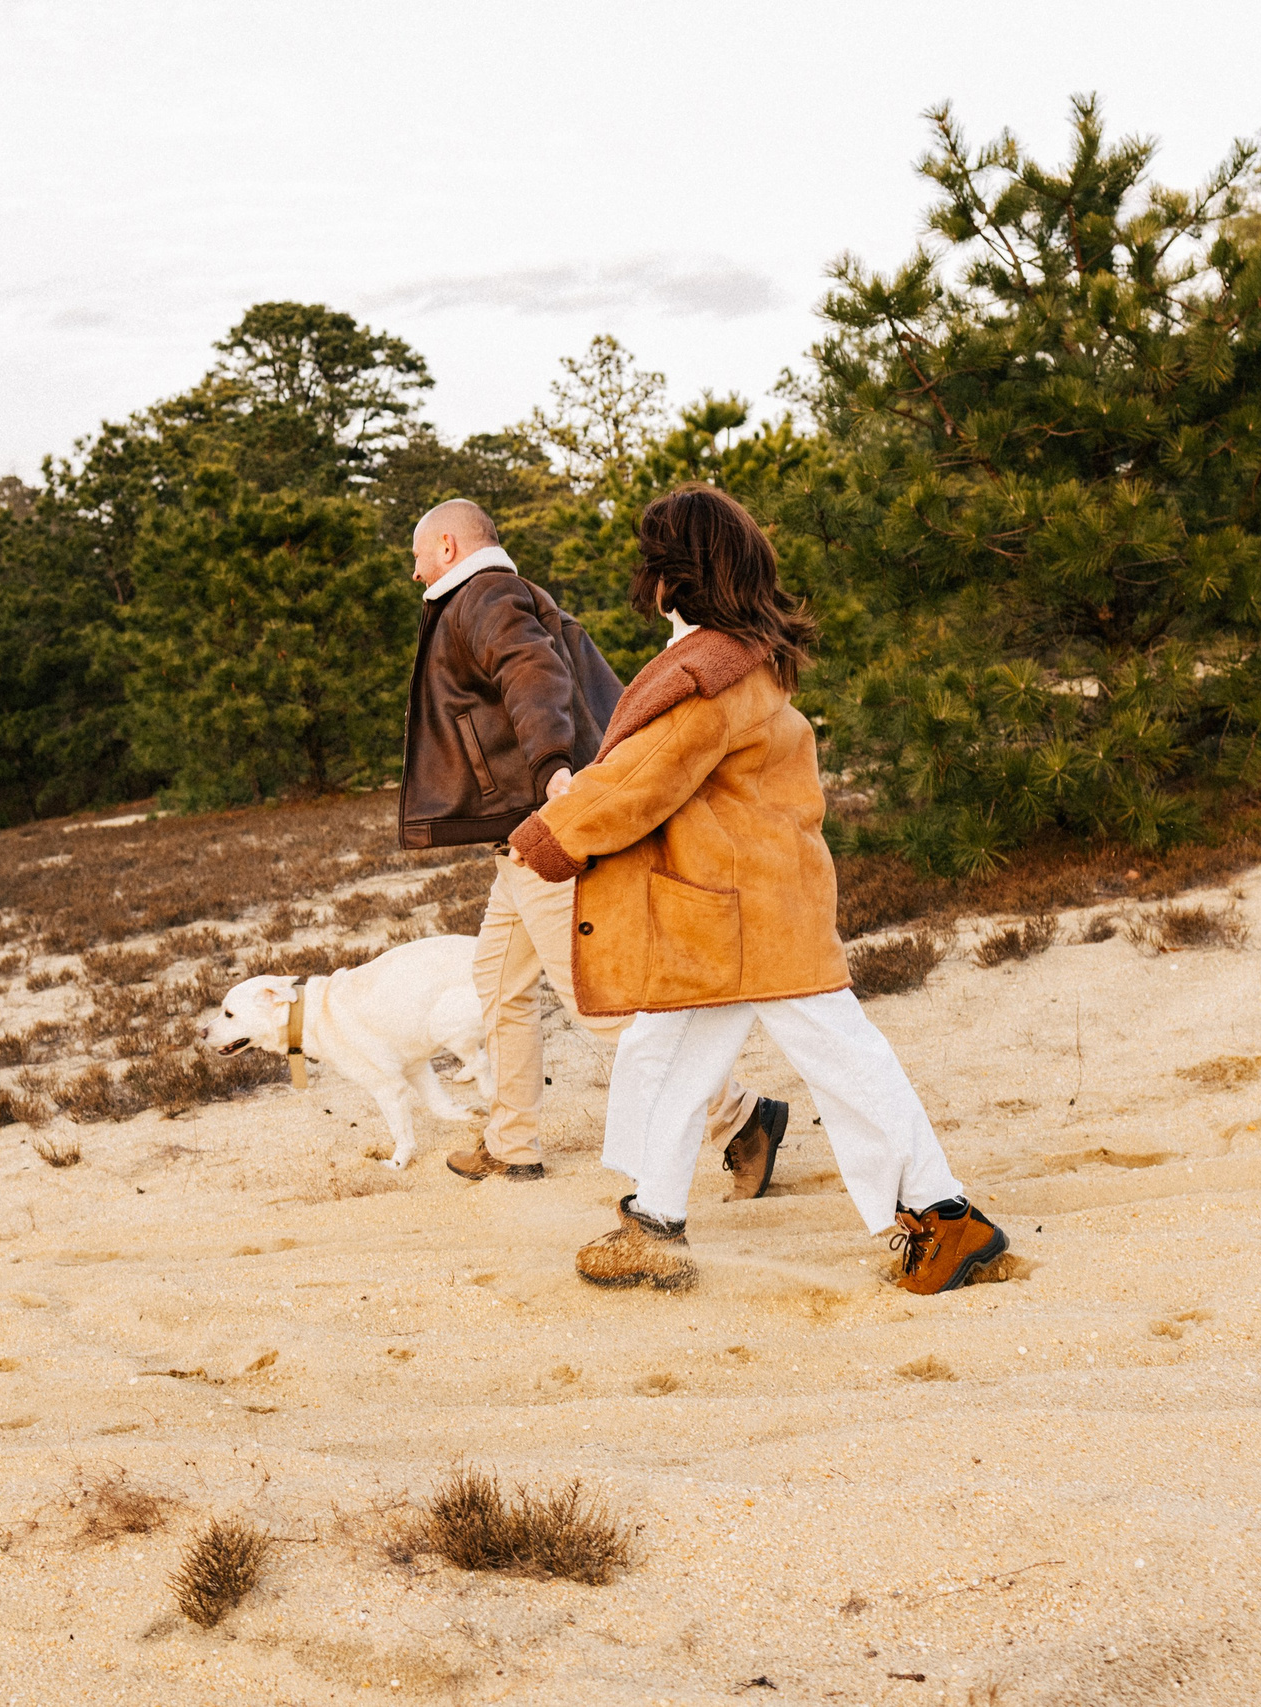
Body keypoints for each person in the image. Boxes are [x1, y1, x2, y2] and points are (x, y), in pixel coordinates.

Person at [506, 484, 1007, 1295]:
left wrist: (548, 836)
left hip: (751, 913)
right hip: (730, 908)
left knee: (841, 1060)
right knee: (663, 1051)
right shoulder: (738, 659)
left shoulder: (708, 676)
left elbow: (641, 778)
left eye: (651, 561)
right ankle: (654, 1225)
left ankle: (945, 1220)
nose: (644, 574)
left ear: (675, 576)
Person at [398, 498, 790, 1189]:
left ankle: (740, 1117)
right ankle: (512, 1137)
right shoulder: (498, 593)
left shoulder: (483, 595)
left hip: (543, 827)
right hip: (516, 836)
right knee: (498, 983)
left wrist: (551, 766)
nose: (414, 569)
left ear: (451, 547)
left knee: (598, 1001)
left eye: (419, 554)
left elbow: (533, 672)